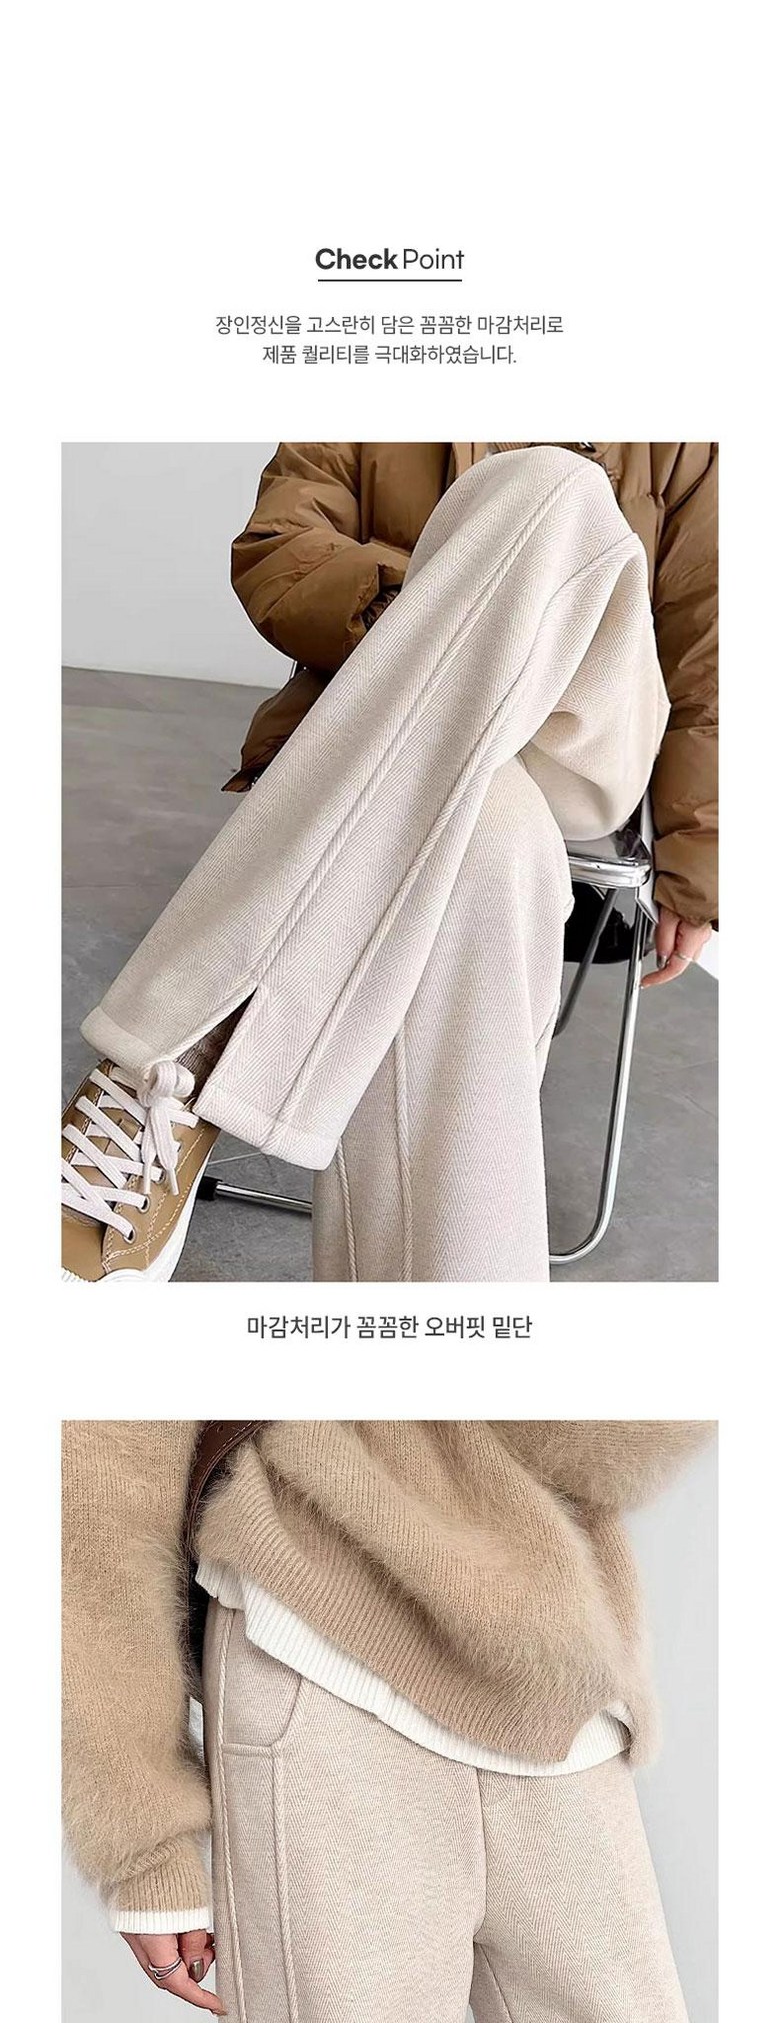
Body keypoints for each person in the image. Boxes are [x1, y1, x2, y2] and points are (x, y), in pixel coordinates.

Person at [61, 443, 717, 1285]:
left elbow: (713, 644)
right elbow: (278, 552)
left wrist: (704, 856)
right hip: (413, 735)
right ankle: (443, 1340)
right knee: (479, 836)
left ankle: (177, 1057)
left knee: (553, 488)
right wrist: (455, 611)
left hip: (584, 737)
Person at [62, 1414, 707, 2023]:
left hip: (556, 1675)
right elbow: (106, 1458)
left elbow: (629, 1435)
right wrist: (145, 1845)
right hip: (317, 1641)